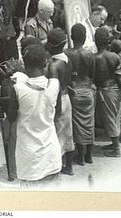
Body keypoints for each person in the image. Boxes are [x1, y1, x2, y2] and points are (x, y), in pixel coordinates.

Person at [7, 44, 62, 188]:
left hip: (29, 159)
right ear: (45, 63)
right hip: (52, 155)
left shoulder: (17, 88)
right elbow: (58, 114)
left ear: (24, 65)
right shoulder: (55, 84)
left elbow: (11, 117)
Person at [65, 23, 95, 166]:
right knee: (89, 123)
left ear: (71, 37)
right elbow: (92, 74)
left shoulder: (67, 54)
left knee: (77, 125)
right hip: (88, 91)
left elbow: (67, 75)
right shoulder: (89, 54)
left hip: (75, 92)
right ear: (85, 37)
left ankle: (80, 156)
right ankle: (89, 155)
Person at [47, 28, 75, 175]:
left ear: (50, 45)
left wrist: (55, 109)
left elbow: (54, 88)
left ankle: (57, 167)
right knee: (67, 133)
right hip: (67, 98)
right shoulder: (67, 58)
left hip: (58, 100)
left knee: (56, 134)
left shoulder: (53, 65)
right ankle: (69, 165)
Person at [93, 27, 121, 157]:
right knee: (114, 117)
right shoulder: (114, 56)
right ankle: (114, 143)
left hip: (105, 90)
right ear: (108, 42)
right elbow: (120, 75)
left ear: (95, 41)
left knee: (110, 119)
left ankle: (116, 149)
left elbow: (93, 76)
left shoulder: (94, 58)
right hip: (116, 89)